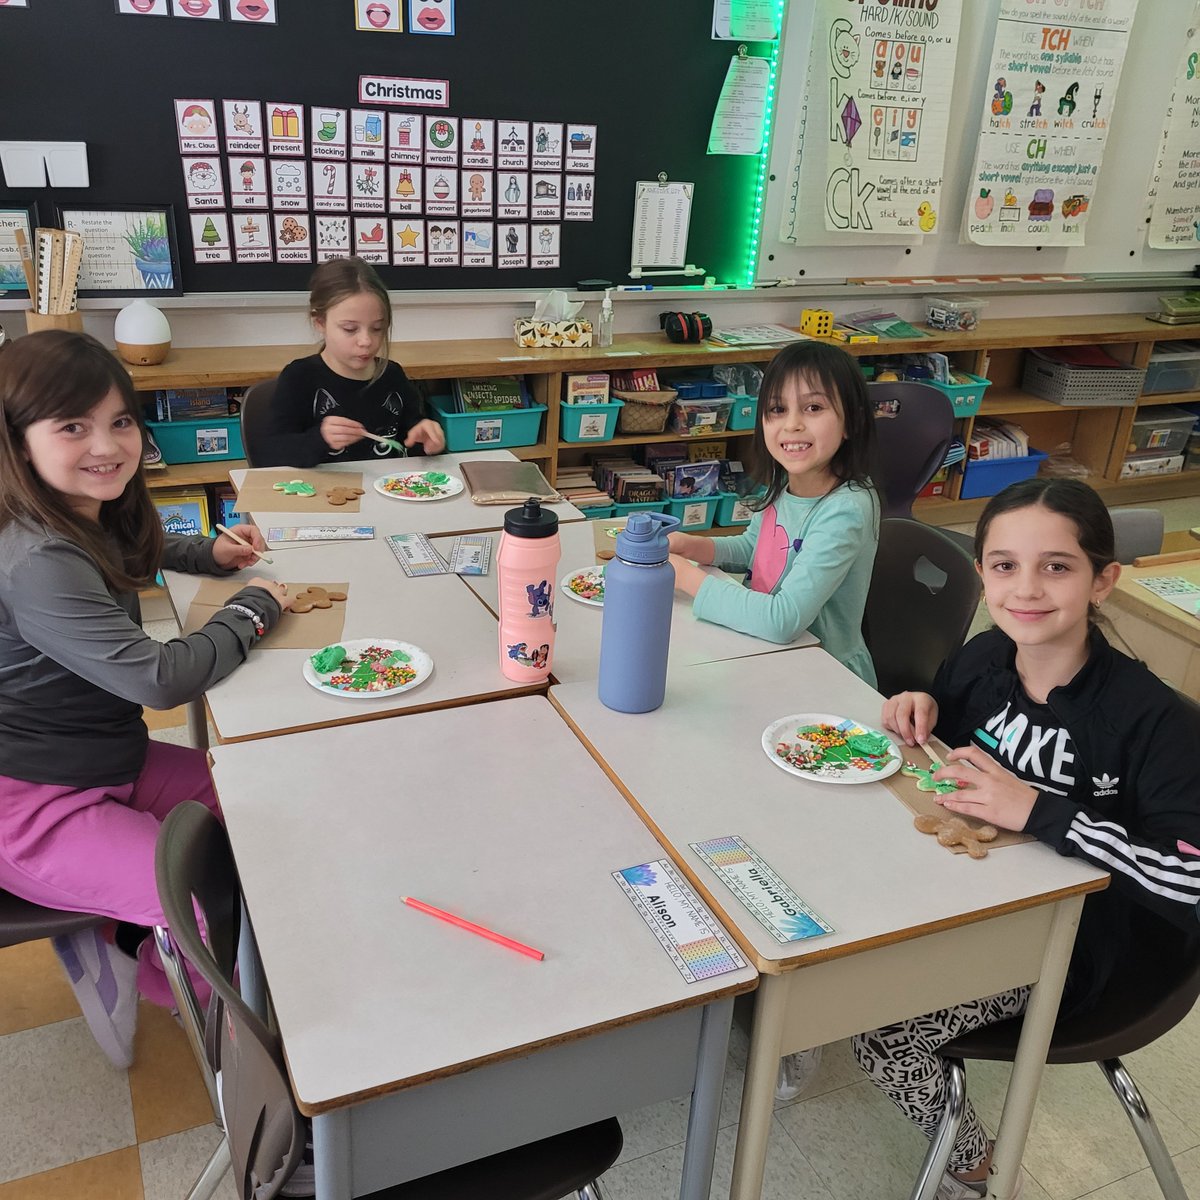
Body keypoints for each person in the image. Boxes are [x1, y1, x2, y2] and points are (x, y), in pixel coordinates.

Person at [864, 478, 1200, 1199]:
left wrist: (1041, 810)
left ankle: (976, 1164)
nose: (1026, 588)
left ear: (1102, 580)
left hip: (1081, 952)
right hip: (970, 901)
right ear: (982, 575)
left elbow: (1188, 880)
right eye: (1005, 565)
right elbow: (957, 752)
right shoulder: (985, 657)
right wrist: (923, 709)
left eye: (1057, 566)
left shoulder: (1152, 720)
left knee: (881, 1029)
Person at [0, 331, 291, 1069]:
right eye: (73, 426)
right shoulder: (34, 557)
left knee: (262, 810)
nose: (107, 445)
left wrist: (205, 553)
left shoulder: (77, 508)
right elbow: (159, 679)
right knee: (197, 902)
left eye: (121, 420)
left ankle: (121, 926)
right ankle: (216, 1031)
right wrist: (251, 610)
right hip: (31, 805)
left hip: (108, 760)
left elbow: (131, 551)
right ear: (18, 441)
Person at [667, 340, 879, 685]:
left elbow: (783, 620)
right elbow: (757, 547)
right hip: (769, 654)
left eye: (813, 407)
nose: (792, 424)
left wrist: (686, 577)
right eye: (778, 409)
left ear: (850, 422)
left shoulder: (846, 509)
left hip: (826, 676)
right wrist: (692, 546)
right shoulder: (788, 480)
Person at [258, 255, 445, 468]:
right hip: (323, 489)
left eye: (377, 328)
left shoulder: (392, 375)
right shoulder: (300, 377)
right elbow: (270, 454)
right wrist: (320, 439)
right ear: (319, 322)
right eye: (350, 329)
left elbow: (409, 444)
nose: (366, 341)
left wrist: (428, 442)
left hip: (385, 487)